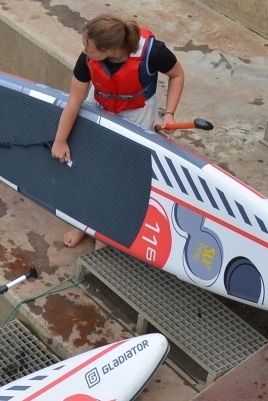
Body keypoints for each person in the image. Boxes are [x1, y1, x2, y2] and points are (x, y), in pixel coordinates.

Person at [52, 14, 186, 247]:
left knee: (120, 173)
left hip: (137, 111)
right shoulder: (87, 59)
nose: (85, 51)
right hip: (101, 105)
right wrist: (60, 140)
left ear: (111, 50)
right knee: (90, 164)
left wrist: (169, 113)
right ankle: (85, 222)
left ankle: (105, 229)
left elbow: (177, 74)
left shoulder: (154, 53)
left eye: (89, 48)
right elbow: (74, 100)